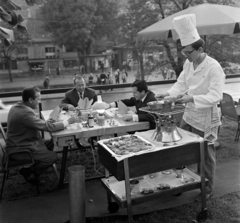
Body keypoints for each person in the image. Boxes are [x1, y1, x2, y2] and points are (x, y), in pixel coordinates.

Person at [157, 14, 225, 201]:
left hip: (207, 116)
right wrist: (168, 94)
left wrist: (191, 98)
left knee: (206, 155)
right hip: (189, 114)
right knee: (181, 149)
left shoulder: (214, 67)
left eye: (189, 52)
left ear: (200, 49)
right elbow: (181, 84)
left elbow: (215, 96)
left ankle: (207, 188)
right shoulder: (188, 63)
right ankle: (181, 182)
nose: (186, 56)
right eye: (185, 53)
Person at [5, 87, 78, 185]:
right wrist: (68, 121)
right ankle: (29, 171)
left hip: (18, 143)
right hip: (20, 148)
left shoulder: (17, 106)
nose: (40, 101)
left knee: (50, 143)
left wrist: (48, 122)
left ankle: (39, 162)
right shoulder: (25, 113)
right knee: (53, 157)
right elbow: (49, 128)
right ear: (30, 100)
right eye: (38, 99)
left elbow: (34, 123)